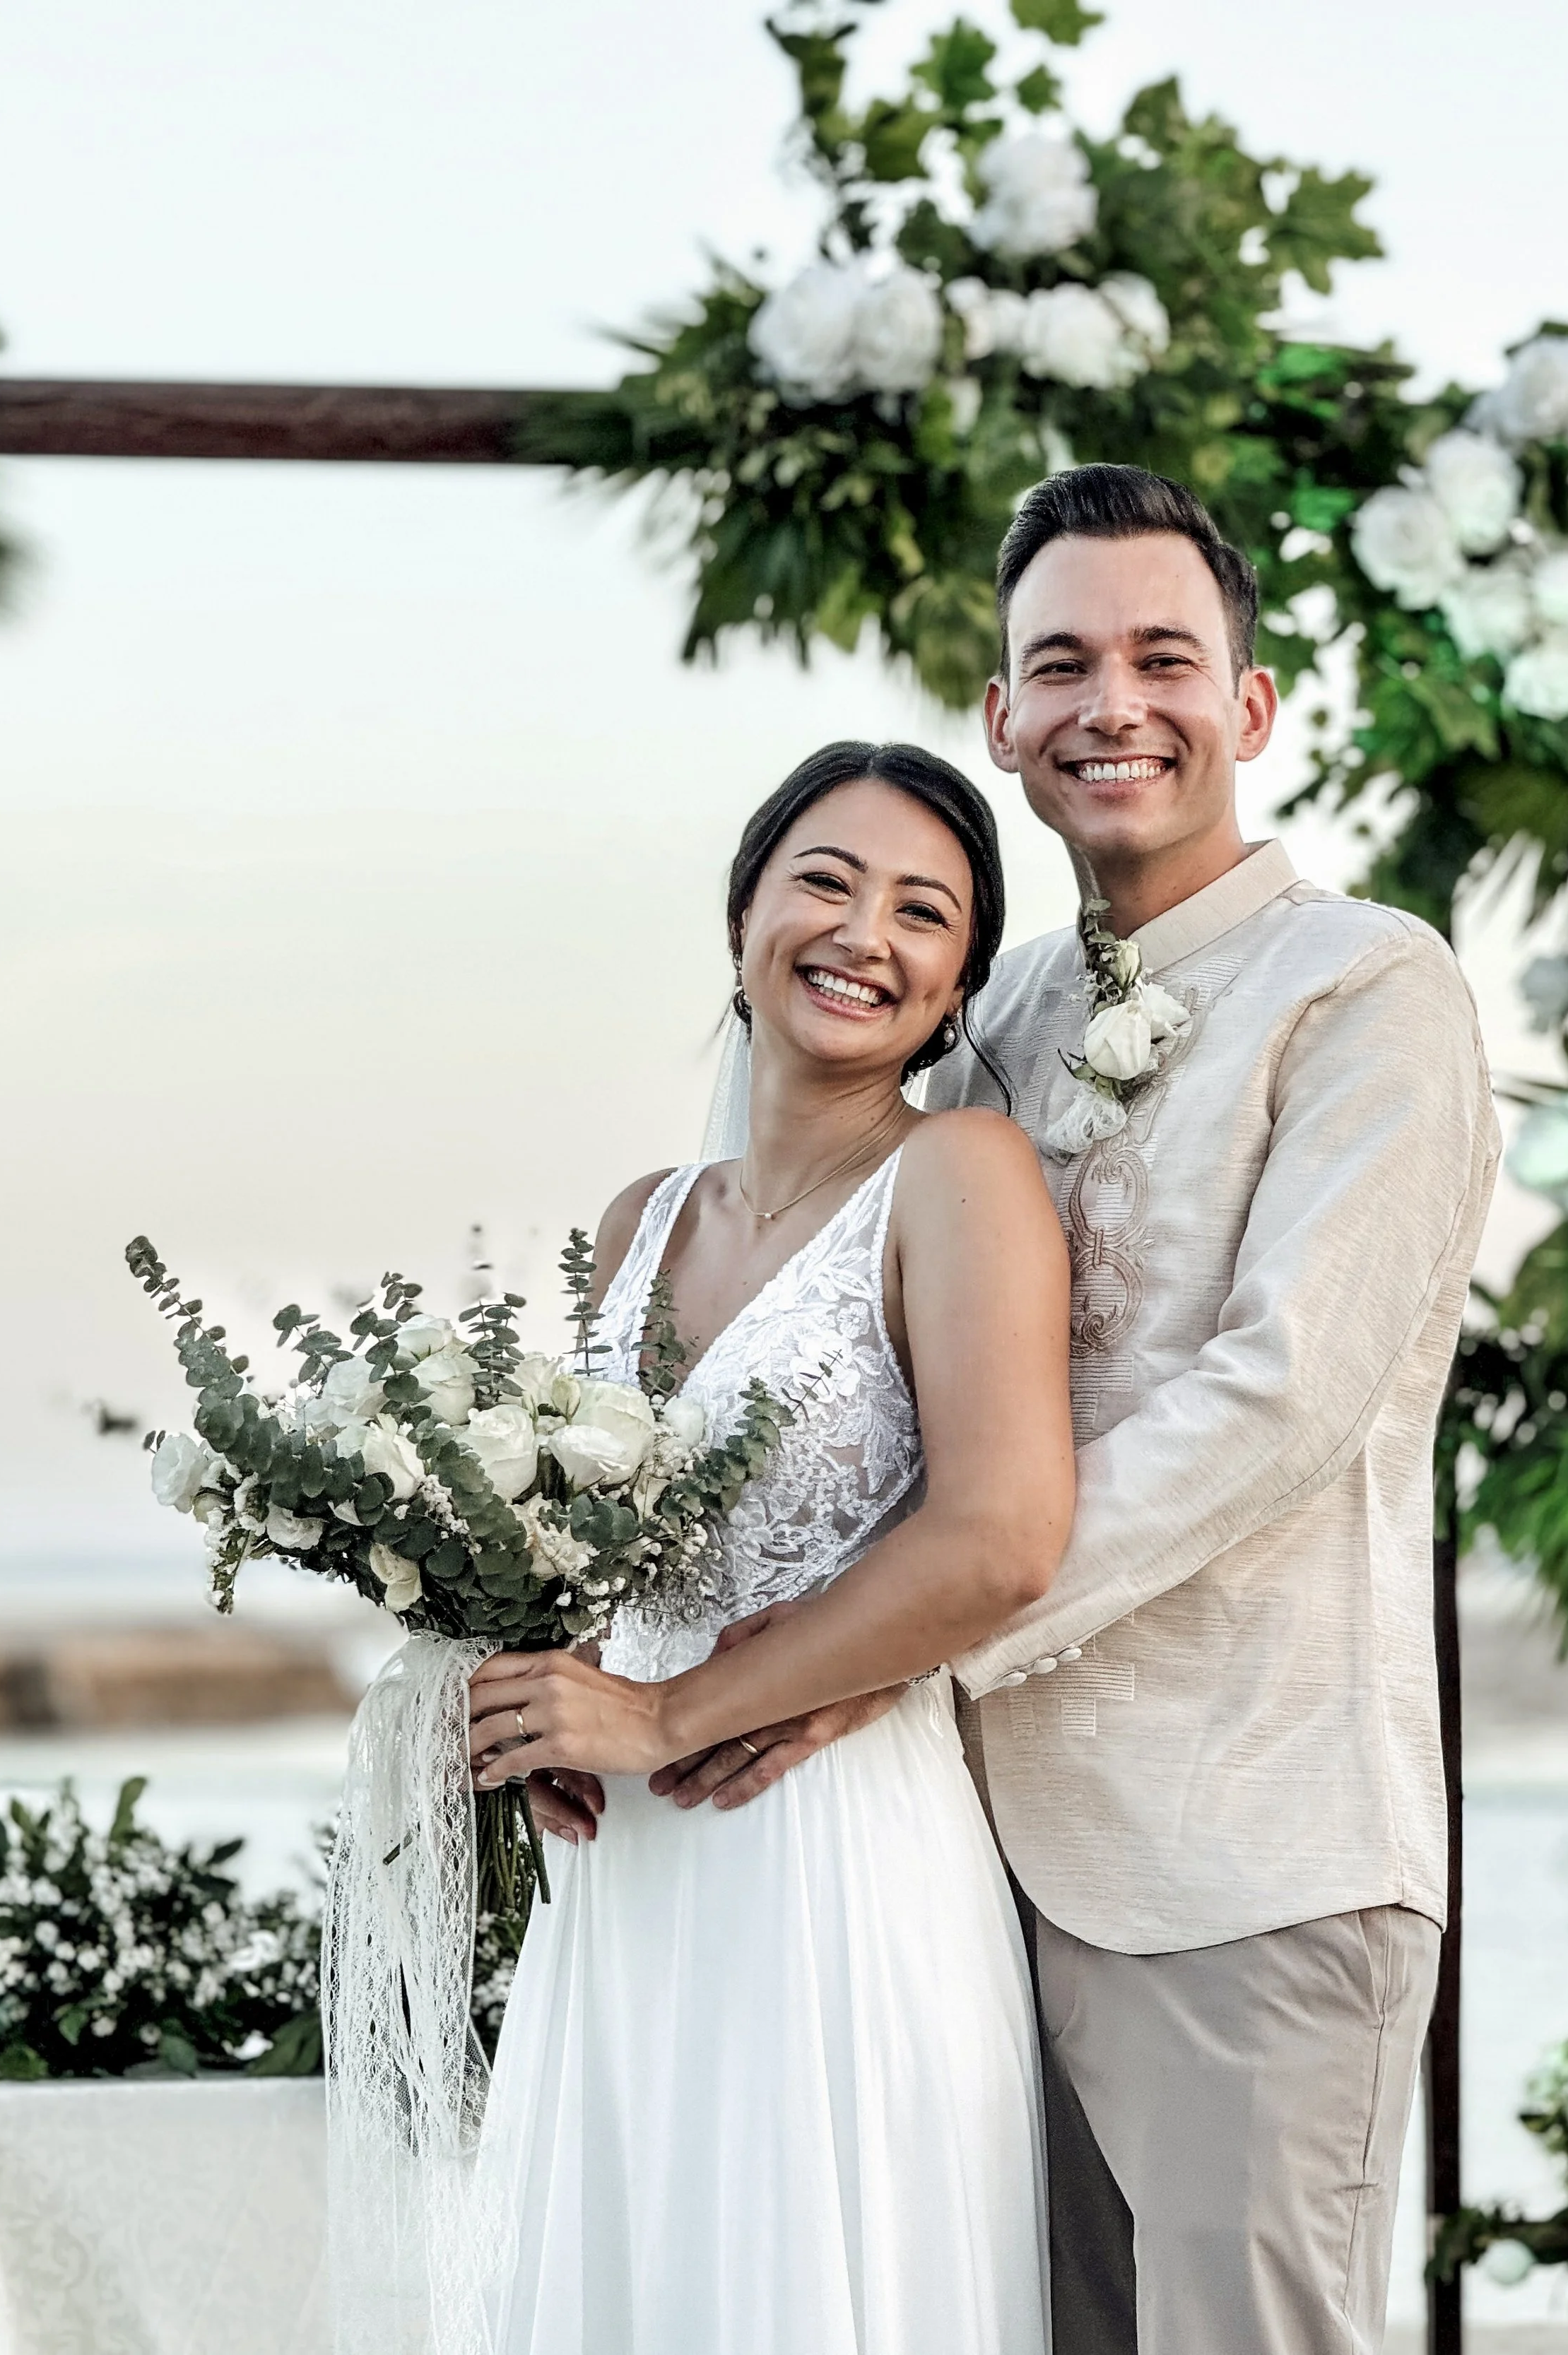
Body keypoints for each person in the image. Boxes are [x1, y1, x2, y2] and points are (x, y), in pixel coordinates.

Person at [615, 466, 1502, 2355]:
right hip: (948, 1870)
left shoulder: (1368, 992)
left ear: (1247, 709)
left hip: (1244, 1854)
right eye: (1062, 663)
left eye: (1164, 656)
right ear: (1002, 719)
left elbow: (1277, 1398)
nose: (1117, 701)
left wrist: (888, 1647)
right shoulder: (983, 1007)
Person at [468, 741, 1077, 2355]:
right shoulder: (637, 1218)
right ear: (742, 911)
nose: (861, 931)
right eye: (823, 878)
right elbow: (589, 1554)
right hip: (625, 1871)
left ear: (955, 989)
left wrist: (671, 1716)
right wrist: (555, 1694)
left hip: (829, 1855)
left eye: (922, 910)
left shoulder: (956, 1176)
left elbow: (1002, 1535)